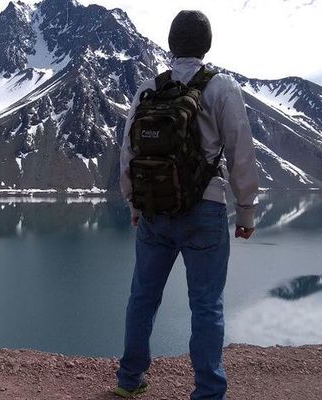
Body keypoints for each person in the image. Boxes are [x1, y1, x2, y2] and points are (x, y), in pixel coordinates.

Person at [115, 10, 259, 400]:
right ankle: (208, 393)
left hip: (154, 212)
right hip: (205, 211)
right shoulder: (222, 88)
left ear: (171, 43)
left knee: (142, 298)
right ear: (206, 45)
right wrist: (245, 210)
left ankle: (129, 380)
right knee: (206, 306)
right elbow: (240, 153)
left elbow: (129, 152)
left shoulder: (150, 87)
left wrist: (134, 202)